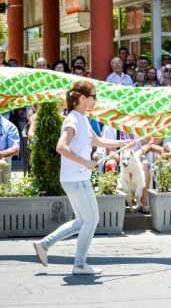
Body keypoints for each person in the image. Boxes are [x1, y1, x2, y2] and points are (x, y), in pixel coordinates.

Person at [32, 80, 132, 274]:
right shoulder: (73, 119)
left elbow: (98, 140)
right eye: (94, 96)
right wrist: (84, 161)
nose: (96, 100)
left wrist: (123, 142)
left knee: (82, 221)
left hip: (75, 179)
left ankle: (44, 245)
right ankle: (79, 264)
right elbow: (61, 147)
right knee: (91, 220)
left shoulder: (82, 118)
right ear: (83, 98)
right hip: (76, 179)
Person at [0, 114, 20, 186]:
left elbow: (15, 149)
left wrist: (1, 154)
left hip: (2, 160)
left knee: (1, 163)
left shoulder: (9, 127)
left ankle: (3, 194)